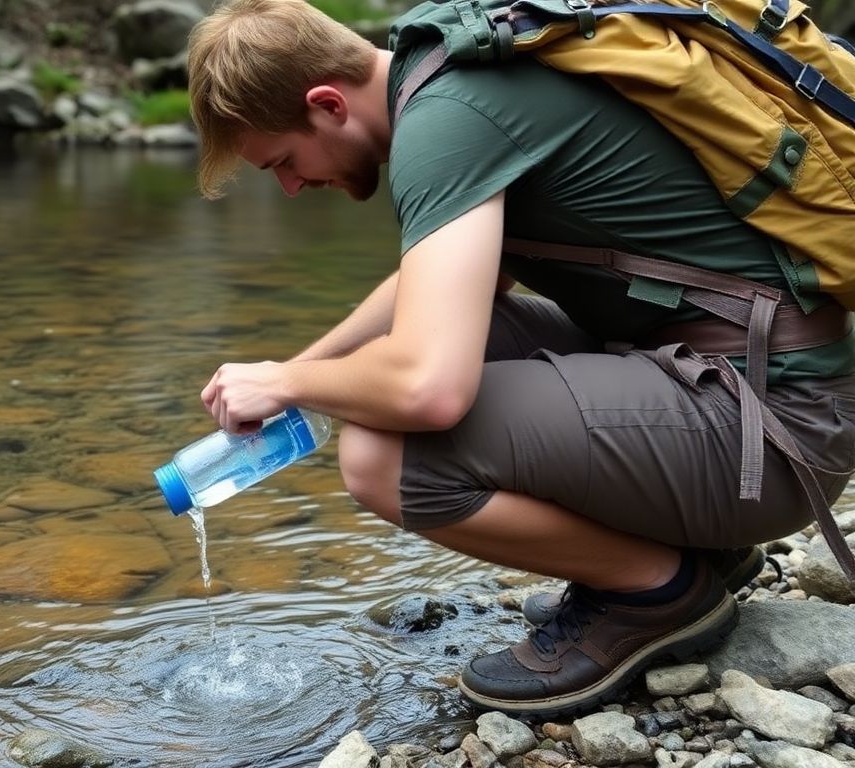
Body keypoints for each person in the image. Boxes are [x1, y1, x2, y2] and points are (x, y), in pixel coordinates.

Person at [185, 0, 855, 717]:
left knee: (380, 451)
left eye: (284, 161)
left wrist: (290, 381)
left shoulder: (448, 120)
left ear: (326, 103)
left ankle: (658, 589)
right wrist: (299, 377)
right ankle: (698, 547)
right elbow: (440, 285)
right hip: (739, 382)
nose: (291, 186)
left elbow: (427, 391)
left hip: (777, 435)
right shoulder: (461, 65)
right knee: (417, 347)